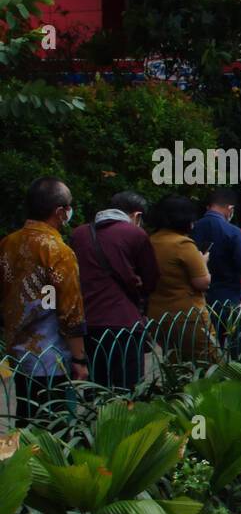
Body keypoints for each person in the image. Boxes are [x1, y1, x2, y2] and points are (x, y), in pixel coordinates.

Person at [0, 177, 88, 424]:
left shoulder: (8, 243)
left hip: (18, 352)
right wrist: (79, 359)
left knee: (25, 420)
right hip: (52, 357)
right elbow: (70, 310)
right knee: (54, 426)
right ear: (60, 212)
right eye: (69, 207)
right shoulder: (58, 250)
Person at [69, 190, 158, 390]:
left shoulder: (79, 234)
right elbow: (151, 280)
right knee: (128, 390)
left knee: (98, 388)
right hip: (124, 326)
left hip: (88, 325)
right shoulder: (135, 234)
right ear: (137, 216)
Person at [147, 195, 217, 362]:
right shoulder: (183, 244)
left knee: (175, 362)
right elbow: (202, 282)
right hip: (187, 316)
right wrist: (203, 262)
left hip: (158, 315)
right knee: (208, 360)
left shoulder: (151, 240)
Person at [190, 188, 241, 326]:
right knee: (234, 342)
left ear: (208, 206)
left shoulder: (193, 229)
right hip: (229, 297)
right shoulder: (233, 231)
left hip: (199, 299)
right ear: (230, 208)